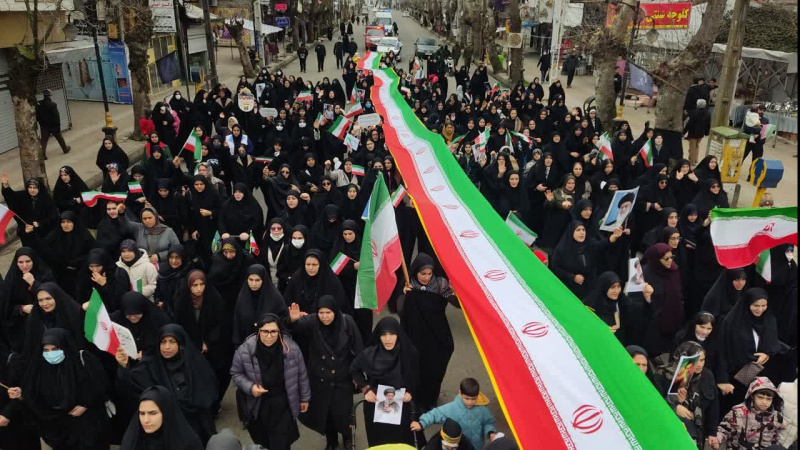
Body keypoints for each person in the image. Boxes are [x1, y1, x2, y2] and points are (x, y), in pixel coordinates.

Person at [116, 324, 219, 444]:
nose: (167, 347)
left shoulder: (195, 364)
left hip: (194, 427)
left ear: (180, 343)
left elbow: (209, 393)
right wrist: (123, 366)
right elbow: (129, 387)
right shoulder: (150, 366)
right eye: (163, 342)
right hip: (165, 429)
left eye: (172, 341)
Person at [8, 328, 109, 449]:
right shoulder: (39, 368)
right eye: (46, 350)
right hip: (59, 428)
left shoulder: (83, 360)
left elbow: (101, 387)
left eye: (55, 349)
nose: (50, 354)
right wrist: (21, 395)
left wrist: (85, 405)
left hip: (87, 426)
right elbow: (35, 396)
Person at [287, 295, 363, 449]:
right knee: (326, 413)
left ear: (335, 311)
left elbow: (358, 349)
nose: (324, 317)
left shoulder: (347, 322)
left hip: (342, 378)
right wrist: (292, 320)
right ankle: (331, 440)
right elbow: (295, 329)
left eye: (328, 312)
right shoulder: (312, 321)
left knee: (344, 413)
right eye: (321, 313)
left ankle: (348, 438)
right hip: (320, 379)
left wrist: (358, 375)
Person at [230, 314, 310, 449]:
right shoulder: (246, 350)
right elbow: (236, 373)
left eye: (273, 331)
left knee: (281, 442)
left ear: (280, 332)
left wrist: (304, 398)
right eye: (265, 331)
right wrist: (251, 387)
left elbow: (301, 374)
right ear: (258, 331)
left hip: (283, 403)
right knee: (263, 442)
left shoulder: (291, 349)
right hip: (258, 405)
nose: (269, 336)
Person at [400, 253, 458, 412]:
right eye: (423, 274)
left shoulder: (440, 284)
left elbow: (457, 304)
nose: (426, 278)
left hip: (436, 335)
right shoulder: (408, 283)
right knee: (415, 369)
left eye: (429, 274)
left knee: (434, 369)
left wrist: (455, 293)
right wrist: (404, 296)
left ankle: (431, 399)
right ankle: (415, 400)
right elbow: (400, 310)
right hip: (415, 335)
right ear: (415, 272)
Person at [350, 317, 421, 447]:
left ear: (398, 334)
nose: (388, 339)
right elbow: (354, 369)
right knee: (379, 442)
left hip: (402, 405)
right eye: (384, 334)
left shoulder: (409, 353)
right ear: (379, 336)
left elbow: (416, 376)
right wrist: (365, 388)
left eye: (392, 334)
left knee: (402, 440)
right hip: (375, 404)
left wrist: (410, 392)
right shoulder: (369, 354)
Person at [717, 288, 781, 416]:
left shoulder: (769, 319)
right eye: (756, 305)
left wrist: (767, 354)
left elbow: (773, 343)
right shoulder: (732, 321)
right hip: (737, 373)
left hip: (761, 370)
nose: (760, 309)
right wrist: (722, 379)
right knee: (737, 409)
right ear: (747, 304)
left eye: (764, 305)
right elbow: (722, 351)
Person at [654, 341, 720, 448]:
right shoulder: (664, 375)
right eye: (695, 360)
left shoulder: (706, 375)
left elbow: (713, 404)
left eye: (702, 360)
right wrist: (673, 408)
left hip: (697, 433)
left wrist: (712, 432)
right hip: (669, 430)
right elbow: (653, 402)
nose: (699, 364)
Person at [411, 378, 497, 450]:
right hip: (458, 446)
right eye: (467, 398)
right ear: (460, 393)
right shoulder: (452, 408)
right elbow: (435, 414)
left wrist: (491, 432)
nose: (470, 402)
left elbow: (488, 422)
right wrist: (422, 423)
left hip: (477, 446)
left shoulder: (483, 409)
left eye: (473, 399)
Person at [119, 385, 204, 449]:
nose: (146, 420)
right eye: (142, 413)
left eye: (153, 413)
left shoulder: (188, 444)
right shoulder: (133, 442)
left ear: (166, 413)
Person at [713, 376, 786, 449]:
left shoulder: (776, 416)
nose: (764, 402)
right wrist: (717, 440)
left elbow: (776, 438)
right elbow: (722, 430)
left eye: (768, 399)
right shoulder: (738, 413)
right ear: (752, 396)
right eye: (760, 397)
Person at [232, 264, 287, 346]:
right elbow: (237, 323)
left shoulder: (275, 297)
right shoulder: (243, 296)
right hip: (246, 343)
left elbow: (283, 320)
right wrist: (237, 344)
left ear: (263, 280)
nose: (253, 284)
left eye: (257, 280)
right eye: (251, 280)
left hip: (270, 342)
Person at [1, 173, 60, 248]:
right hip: (27, 234)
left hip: (44, 234)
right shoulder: (24, 196)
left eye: (35, 188)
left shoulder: (46, 199)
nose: (32, 190)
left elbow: (54, 216)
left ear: (39, 188)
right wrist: (6, 185)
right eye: (30, 187)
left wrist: (39, 224)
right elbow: (11, 197)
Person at [36, 89, 70, 158]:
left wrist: (40, 123)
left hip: (44, 126)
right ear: (49, 96)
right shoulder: (53, 105)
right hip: (53, 126)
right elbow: (56, 116)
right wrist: (58, 126)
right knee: (60, 138)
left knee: (44, 141)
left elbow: (37, 115)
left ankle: (43, 154)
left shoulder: (39, 104)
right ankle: (65, 149)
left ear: (44, 96)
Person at [684, 99, 711, 164]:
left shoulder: (694, 113)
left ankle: (691, 161)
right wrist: (706, 132)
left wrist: (684, 132)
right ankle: (696, 159)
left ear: (697, 104)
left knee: (692, 148)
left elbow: (689, 124)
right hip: (701, 133)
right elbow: (708, 124)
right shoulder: (708, 113)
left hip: (693, 133)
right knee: (697, 146)